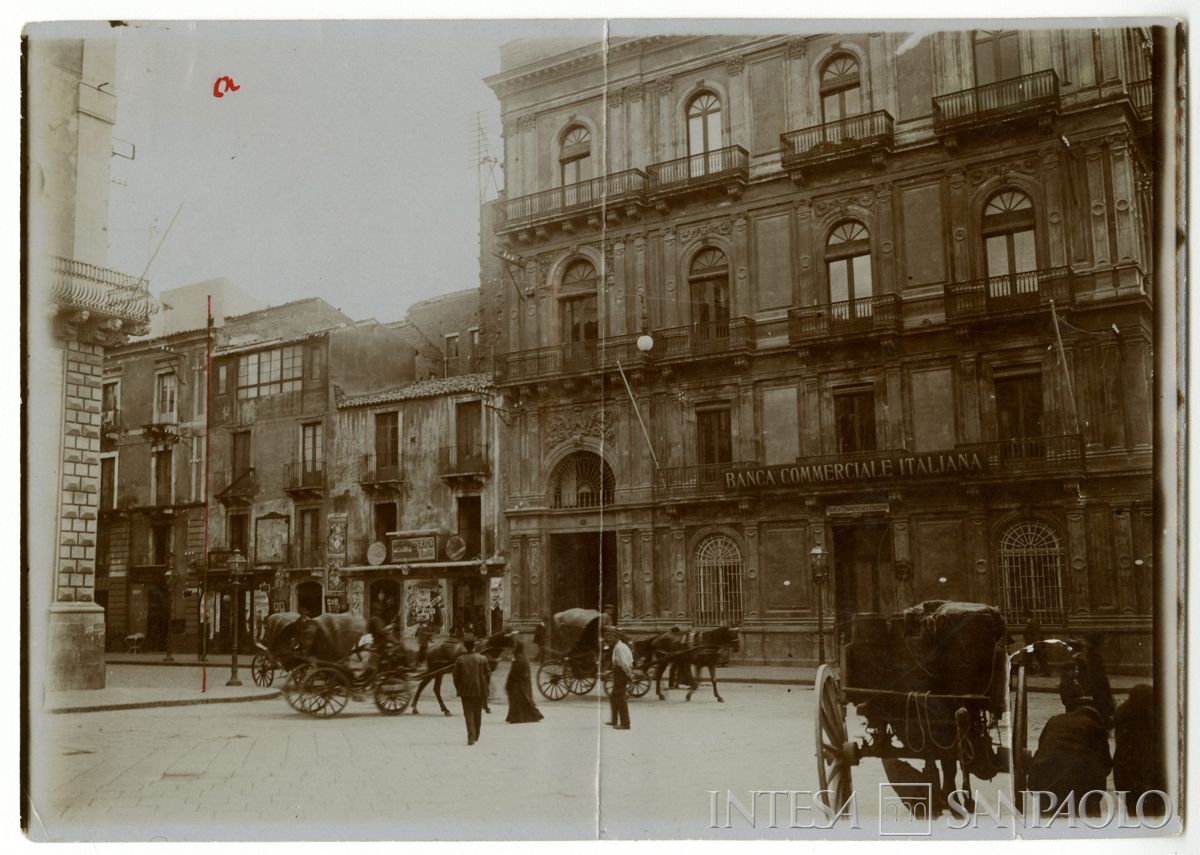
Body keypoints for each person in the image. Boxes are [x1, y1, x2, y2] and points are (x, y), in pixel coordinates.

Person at [1027, 702, 1112, 815]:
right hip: (1078, 789)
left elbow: (1042, 748)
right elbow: (1106, 765)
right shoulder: (1096, 727)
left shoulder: (1054, 720)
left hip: (1043, 782)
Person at [1113, 684, 1162, 813]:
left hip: (1125, 776)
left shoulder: (1123, 714)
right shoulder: (1151, 719)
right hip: (1145, 776)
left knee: (1133, 809)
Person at [452, 635, 492, 746]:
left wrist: (458, 687)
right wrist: (484, 686)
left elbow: (455, 676)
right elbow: (488, 674)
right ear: (474, 645)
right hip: (479, 690)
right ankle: (477, 734)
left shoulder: (460, 660)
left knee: (468, 713)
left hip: (466, 690)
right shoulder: (482, 658)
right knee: (477, 712)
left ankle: (471, 736)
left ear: (464, 646)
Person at [1080, 632, 1116, 729]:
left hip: (1092, 693)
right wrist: (1109, 697)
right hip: (1098, 694)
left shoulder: (1088, 657)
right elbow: (1102, 680)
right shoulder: (1095, 659)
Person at [505, 641, 544, 724]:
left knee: (519, 699)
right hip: (522, 683)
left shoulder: (519, 659)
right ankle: (523, 717)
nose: (513, 649)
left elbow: (514, 673)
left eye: (514, 648)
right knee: (524, 700)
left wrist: (509, 683)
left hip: (519, 683)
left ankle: (518, 717)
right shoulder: (522, 657)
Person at [606, 628, 632, 730]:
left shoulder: (619, 648)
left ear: (617, 637)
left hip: (621, 673)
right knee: (613, 696)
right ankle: (614, 720)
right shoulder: (619, 646)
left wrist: (628, 674)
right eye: (608, 637)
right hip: (619, 672)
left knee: (621, 698)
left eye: (611, 637)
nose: (609, 639)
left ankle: (625, 724)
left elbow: (624, 663)